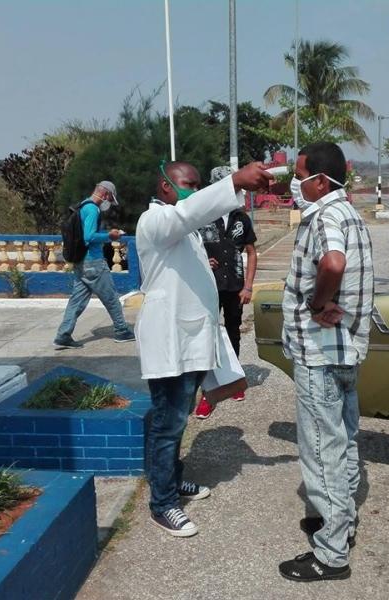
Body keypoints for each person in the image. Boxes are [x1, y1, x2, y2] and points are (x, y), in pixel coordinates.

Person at [136, 160, 273, 537]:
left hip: (190, 340)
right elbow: (187, 214)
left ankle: (171, 481)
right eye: (187, 184)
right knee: (168, 423)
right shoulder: (156, 221)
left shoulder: (185, 228)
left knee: (175, 421)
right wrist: (233, 181)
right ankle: (162, 504)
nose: (193, 191)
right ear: (165, 186)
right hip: (170, 342)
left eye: (198, 185)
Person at [278, 142, 374, 582]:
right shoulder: (351, 214)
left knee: (322, 452)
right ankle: (341, 524)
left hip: (320, 352)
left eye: (299, 175)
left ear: (319, 180)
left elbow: (332, 263)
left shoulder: (326, 217)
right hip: (345, 348)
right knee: (345, 440)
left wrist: (319, 302)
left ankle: (331, 554)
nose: (294, 183)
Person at [194, 165, 258, 419]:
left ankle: (233, 381)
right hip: (207, 288)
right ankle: (206, 393)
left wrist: (249, 285)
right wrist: (201, 260)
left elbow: (251, 252)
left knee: (233, 331)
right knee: (206, 335)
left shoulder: (241, 218)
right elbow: (187, 249)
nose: (237, 192)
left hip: (234, 286)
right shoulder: (200, 217)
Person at [54, 181, 135, 348]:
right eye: (111, 199)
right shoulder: (92, 209)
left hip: (82, 262)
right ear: (105, 194)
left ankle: (63, 334)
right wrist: (110, 236)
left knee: (77, 301)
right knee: (111, 297)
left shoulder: (83, 206)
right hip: (94, 262)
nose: (110, 204)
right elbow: (89, 237)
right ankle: (121, 331)